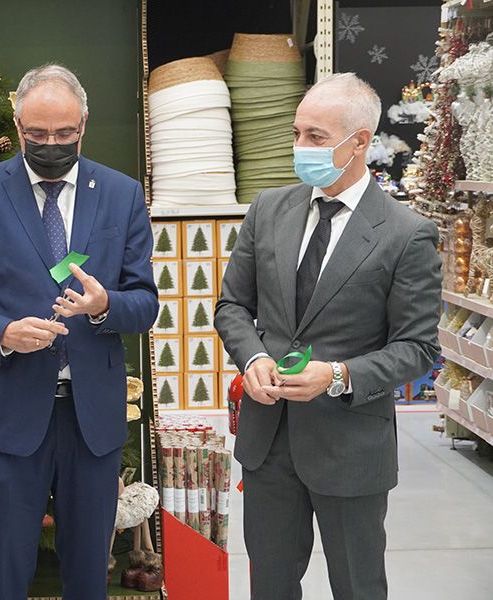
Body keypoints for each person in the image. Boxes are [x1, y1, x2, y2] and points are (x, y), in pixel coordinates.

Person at [0, 64, 158, 599]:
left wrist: (104, 306)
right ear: (17, 126)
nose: (51, 144)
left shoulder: (121, 194)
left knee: (89, 577)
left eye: (64, 133)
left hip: (92, 421)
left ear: (84, 125)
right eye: (37, 134)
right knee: (5, 576)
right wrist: (2, 332)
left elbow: (145, 303)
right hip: (8, 418)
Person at [215, 72, 442, 600]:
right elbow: (233, 306)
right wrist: (253, 359)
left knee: (358, 585)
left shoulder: (405, 234)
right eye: (296, 133)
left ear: (359, 142)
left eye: (315, 137)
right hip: (269, 440)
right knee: (270, 585)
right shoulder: (269, 210)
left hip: (350, 446)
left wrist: (338, 375)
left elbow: (418, 347)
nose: (300, 147)